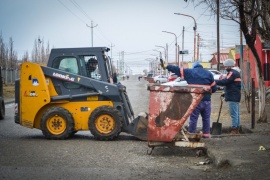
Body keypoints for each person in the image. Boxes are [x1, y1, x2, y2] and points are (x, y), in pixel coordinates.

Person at [160, 59, 217, 138]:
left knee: (193, 118)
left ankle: (192, 134)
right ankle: (206, 135)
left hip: (195, 101)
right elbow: (214, 88)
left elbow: (177, 70)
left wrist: (166, 66)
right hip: (206, 101)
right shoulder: (209, 74)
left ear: (193, 67)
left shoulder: (190, 72)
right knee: (206, 118)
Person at [215, 59, 241, 134]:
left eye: (226, 66)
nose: (225, 68)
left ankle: (234, 129)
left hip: (233, 95)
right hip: (235, 95)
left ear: (230, 66)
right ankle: (237, 128)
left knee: (233, 114)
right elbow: (229, 83)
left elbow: (225, 82)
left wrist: (214, 81)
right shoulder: (235, 72)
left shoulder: (232, 72)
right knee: (236, 113)